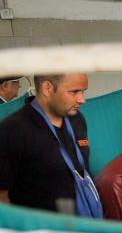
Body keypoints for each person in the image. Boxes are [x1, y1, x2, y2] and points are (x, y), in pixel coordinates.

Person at [0, 73, 102, 217]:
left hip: (81, 224)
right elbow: (2, 195)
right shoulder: (13, 130)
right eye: (74, 92)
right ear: (47, 88)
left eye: (83, 91)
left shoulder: (77, 119)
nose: (82, 99)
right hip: (42, 232)